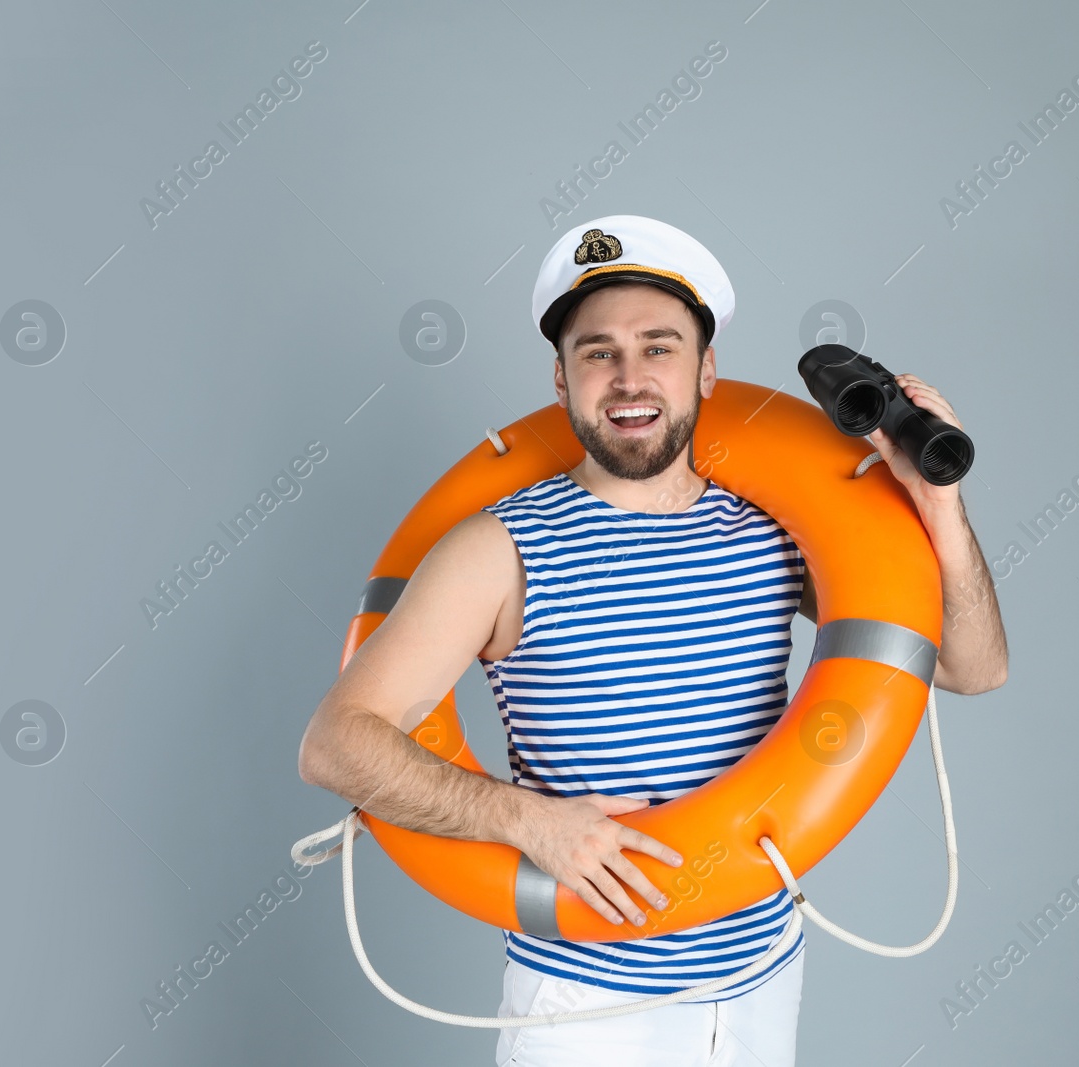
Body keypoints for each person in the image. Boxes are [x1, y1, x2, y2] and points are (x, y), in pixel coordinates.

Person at [297, 215, 1009, 1065]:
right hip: (586, 1008)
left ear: (707, 368)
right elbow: (335, 743)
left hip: (761, 980)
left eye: (659, 346)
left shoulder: (773, 534)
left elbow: (975, 667)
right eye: (597, 351)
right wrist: (527, 820)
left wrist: (940, 507)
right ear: (560, 381)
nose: (629, 377)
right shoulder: (497, 551)